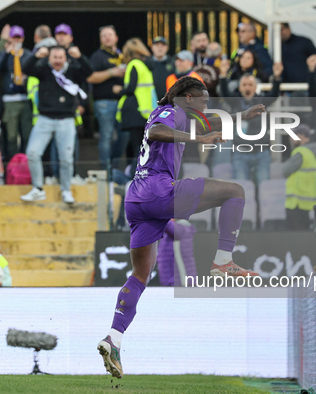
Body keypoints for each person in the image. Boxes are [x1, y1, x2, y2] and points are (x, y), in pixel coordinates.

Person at [97, 77, 263, 379]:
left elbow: (209, 121)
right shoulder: (169, 112)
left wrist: (241, 117)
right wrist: (197, 139)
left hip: (137, 199)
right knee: (235, 191)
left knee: (139, 275)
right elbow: (157, 131)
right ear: (187, 98)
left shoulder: (181, 114)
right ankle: (223, 261)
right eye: (203, 99)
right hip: (158, 189)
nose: (206, 105)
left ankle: (114, 338)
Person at [20, 46, 93, 204]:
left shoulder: (73, 70)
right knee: (32, 152)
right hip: (44, 119)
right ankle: (37, 189)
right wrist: (35, 56)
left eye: (61, 57)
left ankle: (66, 190)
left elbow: (88, 72)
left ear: (66, 58)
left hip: (66, 120)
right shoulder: (44, 70)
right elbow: (25, 68)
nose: (58, 61)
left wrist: (80, 57)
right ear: (49, 58)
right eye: (55, 58)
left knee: (66, 158)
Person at [218, 64, 283, 183]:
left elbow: (274, 94)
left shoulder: (262, 101)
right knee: (242, 188)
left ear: (255, 87)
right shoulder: (235, 101)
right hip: (240, 153)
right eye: (244, 85)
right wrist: (223, 76)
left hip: (261, 153)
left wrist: (277, 77)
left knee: (264, 189)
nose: (247, 87)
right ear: (240, 88)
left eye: (250, 85)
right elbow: (225, 92)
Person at [114, 38, 156, 173]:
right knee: (142, 145)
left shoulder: (134, 65)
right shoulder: (146, 65)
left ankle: (133, 173)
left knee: (135, 147)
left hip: (134, 110)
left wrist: (119, 90)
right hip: (144, 110)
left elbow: (131, 88)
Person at [88, 25, 126, 169]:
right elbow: (90, 77)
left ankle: (114, 168)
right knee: (107, 136)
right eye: (104, 35)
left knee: (124, 136)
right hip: (105, 103)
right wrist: (112, 72)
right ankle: (106, 169)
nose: (107, 37)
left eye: (110, 34)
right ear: (100, 40)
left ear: (116, 38)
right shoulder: (97, 56)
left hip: (122, 102)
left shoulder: (122, 56)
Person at [0, 25, 33, 162]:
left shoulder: (28, 55)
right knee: (11, 136)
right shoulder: (3, 54)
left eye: (18, 37)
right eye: (13, 37)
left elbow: (34, 72)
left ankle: (26, 164)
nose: (16, 40)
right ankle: (13, 165)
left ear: (22, 38)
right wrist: (7, 53)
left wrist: (26, 78)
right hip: (9, 99)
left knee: (26, 134)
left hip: (24, 98)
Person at [282, 125, 316, 230]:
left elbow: (285, 171)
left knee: (295, 235)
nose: (290, 139)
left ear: (302, 137)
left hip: (297, 201)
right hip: (309, 199)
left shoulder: (301, 152)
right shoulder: (315, 152)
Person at [156, 219, 197, 286]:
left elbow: (167, 223)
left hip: (181, 281)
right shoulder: (167, 233)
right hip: (168, 280)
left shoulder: (183, 228)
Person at [150, 36, 174, 100]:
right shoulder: (147, 63)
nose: (160, 48)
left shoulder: (173, 63)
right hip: (151, 100)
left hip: (169, 101)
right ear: (152, 47)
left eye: (163, 45)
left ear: (167, 48)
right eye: (157, 45)